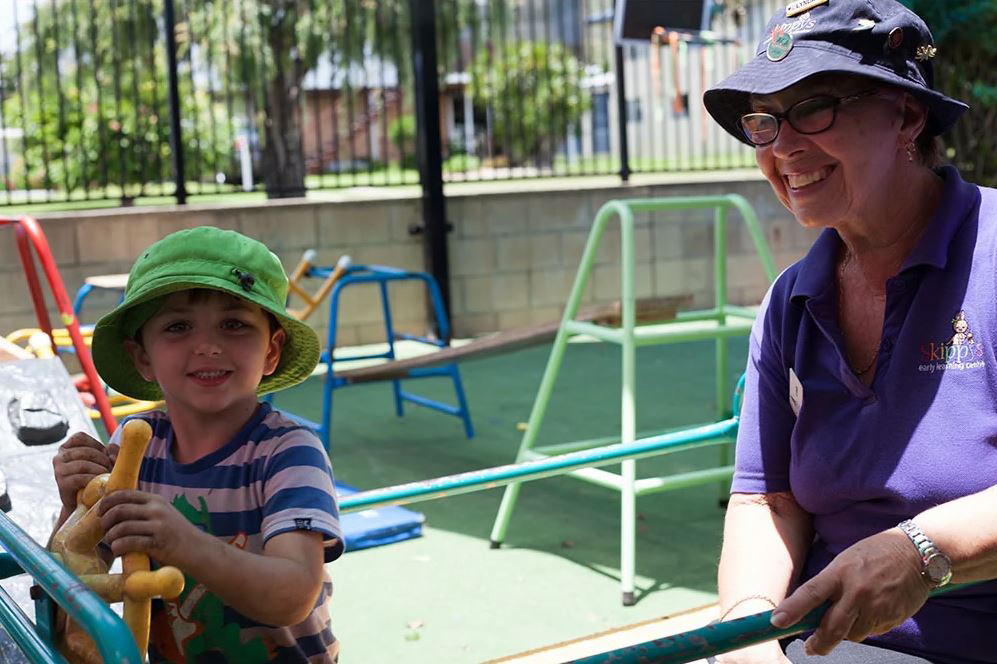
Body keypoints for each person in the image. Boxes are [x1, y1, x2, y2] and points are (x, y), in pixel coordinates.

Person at [702, 0, 997, 662]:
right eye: (764, 121)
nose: (783, 148)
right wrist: (746, 630)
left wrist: (921, 551)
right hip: (824, 644)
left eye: (813, 109)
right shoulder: (791, 303)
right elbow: (767, 499)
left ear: (907, 117)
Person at [51, 226, 343, 663]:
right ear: (143, 357)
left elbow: (293, 594)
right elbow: (71, 584)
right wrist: (73, 510)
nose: (207, 346)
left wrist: (183, 543)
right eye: (178, 326)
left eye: (234, 324)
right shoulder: (135, 446)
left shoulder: (288, 452)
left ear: (271, 351)